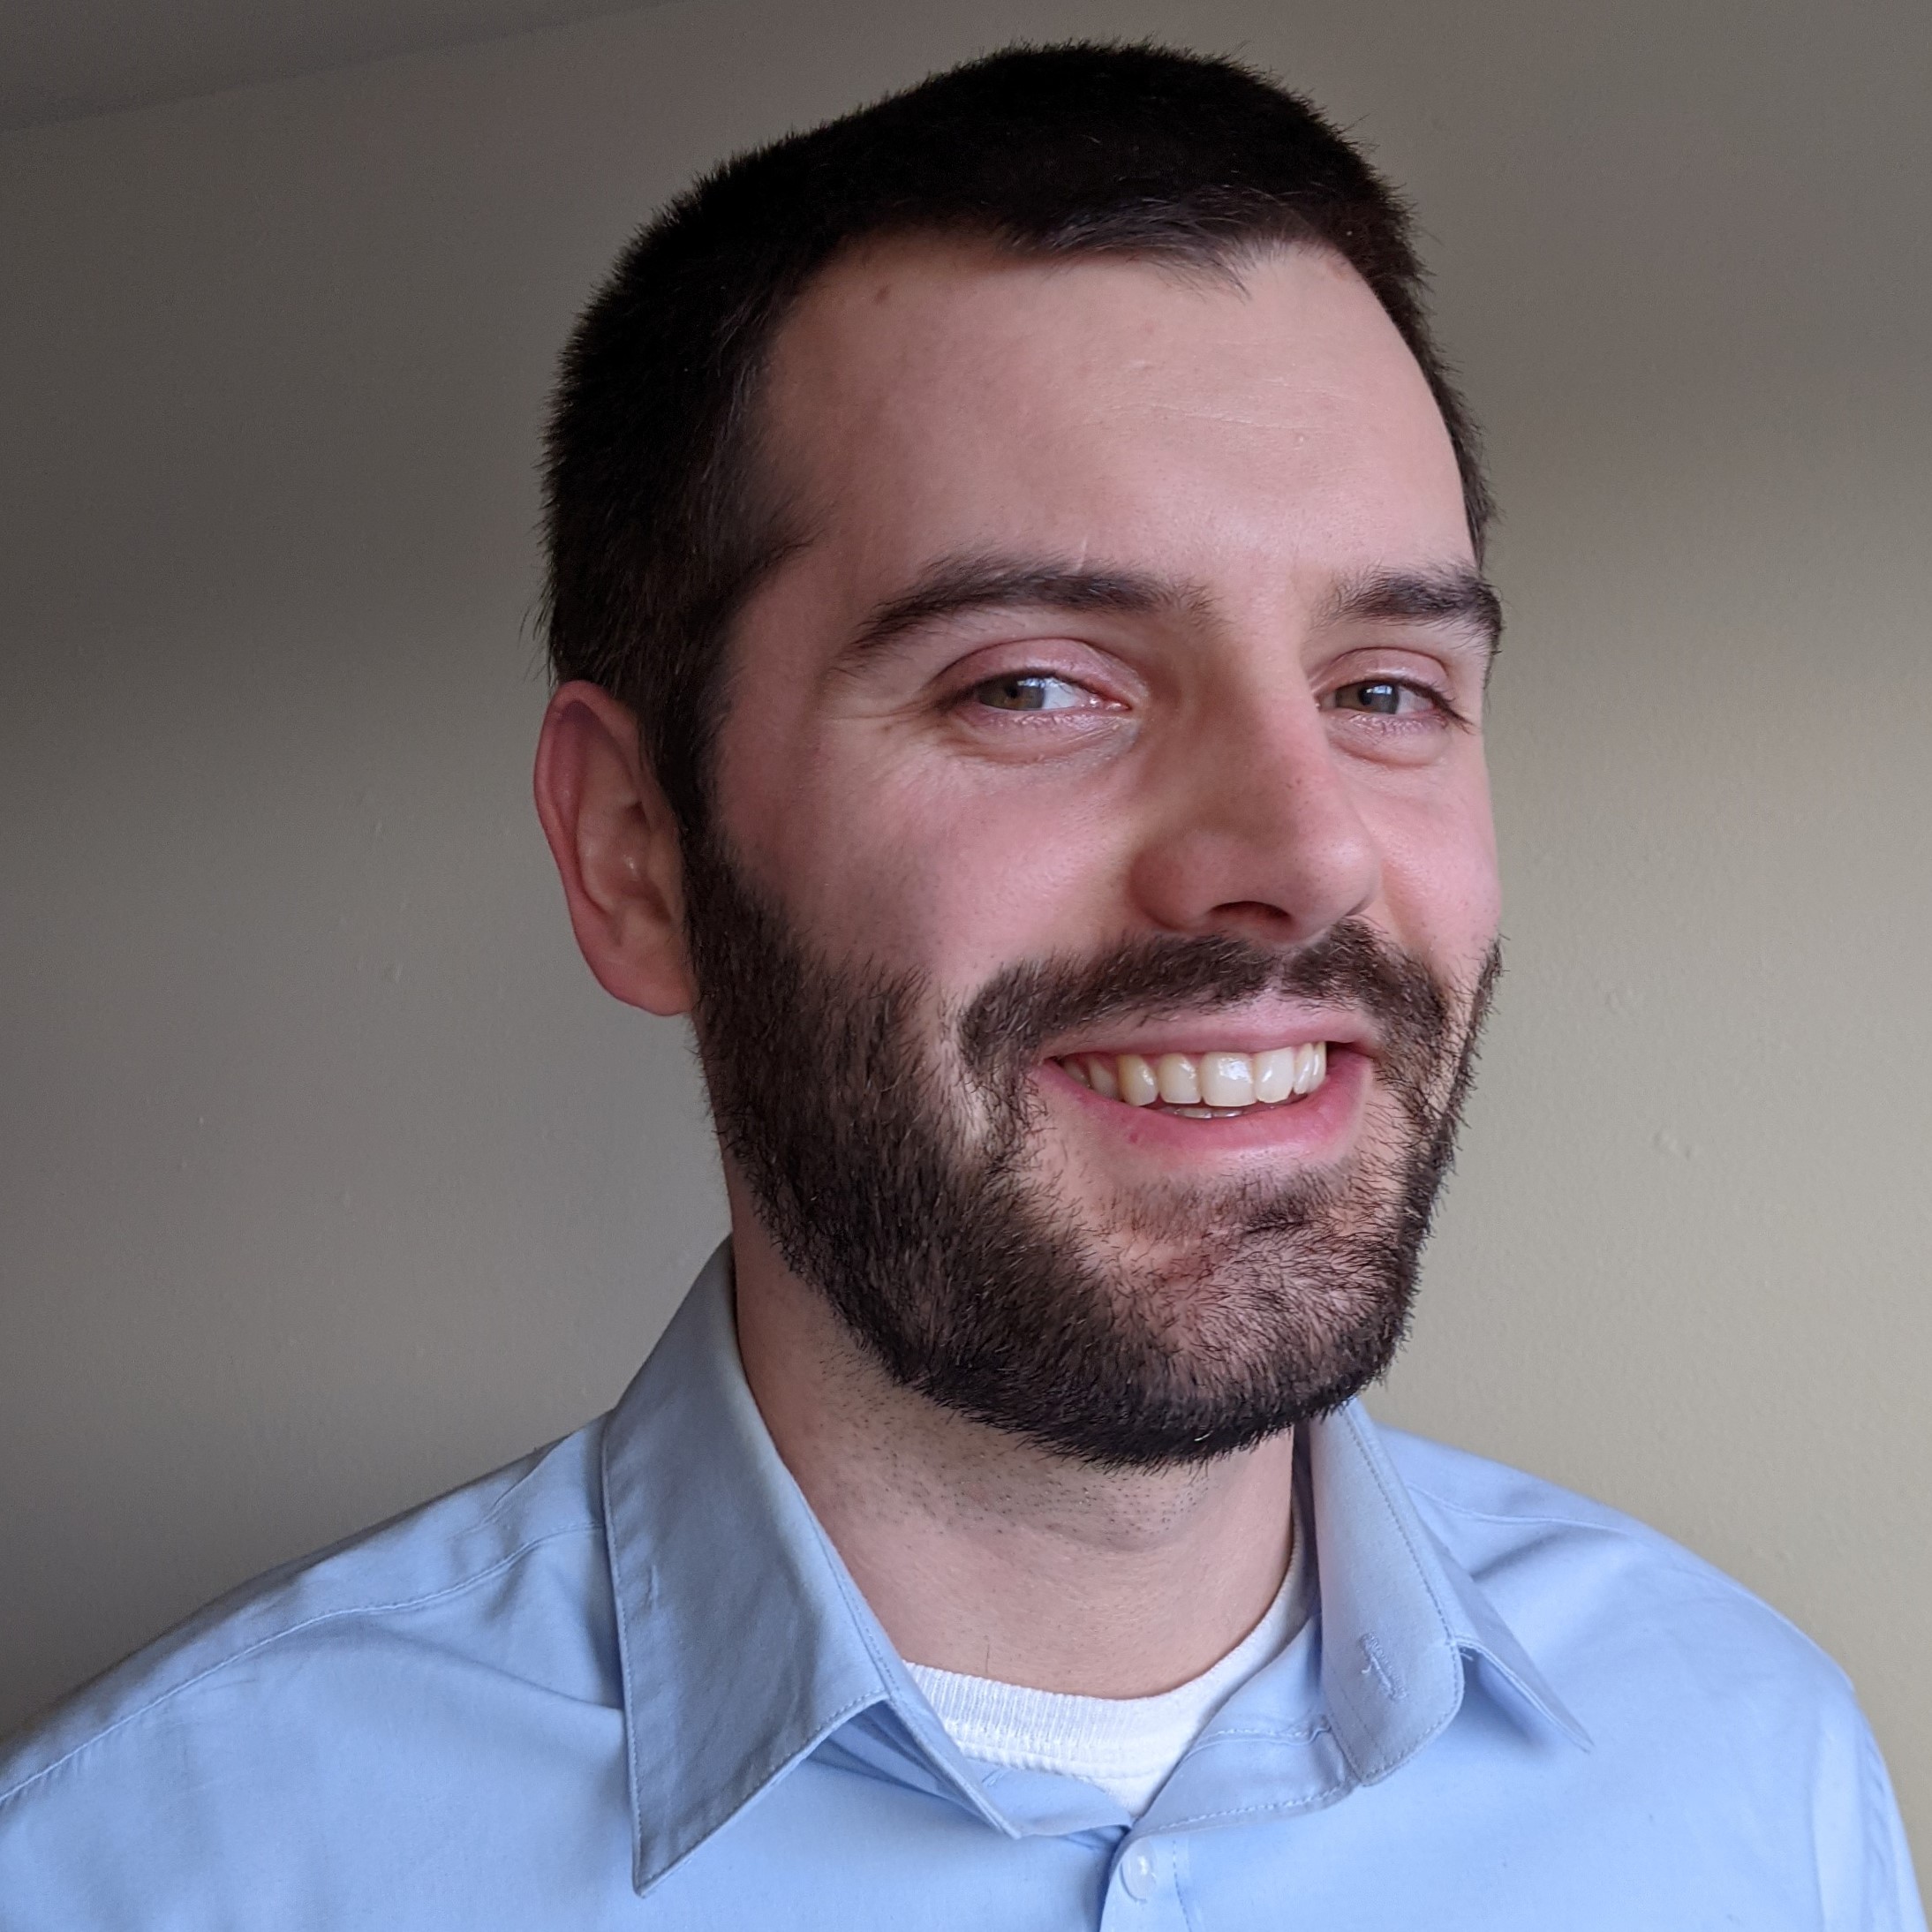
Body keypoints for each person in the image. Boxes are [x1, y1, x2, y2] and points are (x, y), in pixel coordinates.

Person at [0, 42, 1920, 1930]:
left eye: (1385, 688)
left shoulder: (1754, 1775)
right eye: (1033, 682)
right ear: (637, 850)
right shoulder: (140, 1874)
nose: (1306, 849)